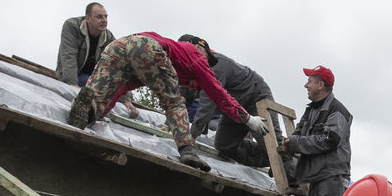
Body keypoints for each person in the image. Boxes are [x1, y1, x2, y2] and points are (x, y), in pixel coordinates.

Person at [67, 32, 269, 172]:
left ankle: (90, 112)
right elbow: (216, 92)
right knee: (174, 103)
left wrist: (103, 109)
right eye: (209, 60)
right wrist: (247, 118)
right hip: (147, 48)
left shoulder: (173, 52)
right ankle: (187, 151)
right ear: (202, 48)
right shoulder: (196, 55)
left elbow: (123, 87)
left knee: (107, 93)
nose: (210, 65)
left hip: (118, 46)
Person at [279, 65, 352, 196]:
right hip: (315, 177)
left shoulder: (337, 111)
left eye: (309, 81)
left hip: (331, 176)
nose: (306, 85)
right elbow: (299, 135)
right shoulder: (311, 110)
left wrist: (295, 143)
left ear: (321, 84)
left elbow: (330, 140)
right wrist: (289, 144)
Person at [179, 34, 281, 168]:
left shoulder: (217, 65)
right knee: (224, 144)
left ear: (197, 48)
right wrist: (170, 123)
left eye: (187, 52)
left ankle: (292, 178)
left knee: (271, 143)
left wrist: (193, 135)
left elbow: (208, 103)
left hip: (255, 97)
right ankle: (268, 161)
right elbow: (183, 98)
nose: (186, 58)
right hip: (234, 106)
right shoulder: (191, 68)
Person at [55, 1, 138, 117]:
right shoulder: (72, 27)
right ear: (88, 18)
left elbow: (119, 68)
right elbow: (69, 55)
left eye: (105, 16)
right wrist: (72, 84)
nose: (104, 20)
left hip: (91, 80)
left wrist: (126, 99)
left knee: (106, 93)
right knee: (90, 94)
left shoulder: (109, 39)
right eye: (99, 17)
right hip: (74, 76)